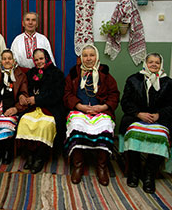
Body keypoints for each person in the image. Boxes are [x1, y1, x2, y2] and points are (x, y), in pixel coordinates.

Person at [63, 44, 119, 186]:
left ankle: (101, 166)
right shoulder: (74, 73)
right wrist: (79, 106)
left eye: (92, 55)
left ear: (96, 57)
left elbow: (114, 94)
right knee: (76, 125)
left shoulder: (105, 73)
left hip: (100, 110)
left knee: (106, 125)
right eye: (85, 55)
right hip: (80, 110)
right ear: (81, 58)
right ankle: (78, 165)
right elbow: (67, 94)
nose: (89, 58)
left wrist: (103, 107)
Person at [120, 53, 172, 194]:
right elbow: (125, 102)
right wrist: (138, 113)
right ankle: (134, 171)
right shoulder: (134, 80)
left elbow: (171, 105)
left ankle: (149, 174)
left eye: (157, 62)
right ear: (145, 63)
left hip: (159, 118)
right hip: (136, 117)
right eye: (151, 62)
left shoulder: (168, 82)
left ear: (161, 65)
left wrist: (158, 115)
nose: (154, 65)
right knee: (132, 133)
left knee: (161, 136)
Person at [16, 48, 65, 174]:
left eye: (41, 59)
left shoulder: (56, 73)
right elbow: (24, 88)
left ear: (47, 58)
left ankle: (39, 156)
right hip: (32, 107)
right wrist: (22, 95)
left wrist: (37, 99)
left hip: (51, 107)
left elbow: (56, 95)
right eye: (36, 60)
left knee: (44, 124)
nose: (39, 62)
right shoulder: (31, 73)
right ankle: (30, 155)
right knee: (25, 122)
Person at [0, 49, 28, 165]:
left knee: (8, 122)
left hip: (11, 108)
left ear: (13, 60)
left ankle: (8, 151)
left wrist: (16, 108)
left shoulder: (20, 75)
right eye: (4, 58)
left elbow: (24, 94)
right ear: (1, 61)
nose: (7, 61)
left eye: (9, 58)